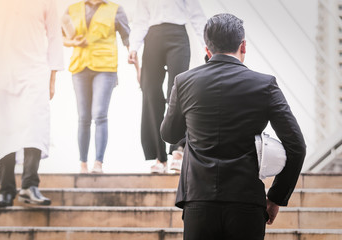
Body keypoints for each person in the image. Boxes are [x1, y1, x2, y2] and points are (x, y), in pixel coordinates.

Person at [160, 13, 306, 240]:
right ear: (243, 46)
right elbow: (296, 146)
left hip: (199, 200)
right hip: (246, 202)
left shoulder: (184, 82)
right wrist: (276, 197)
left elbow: (169, 134)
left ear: (207, 49)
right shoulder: (265, 85)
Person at [0, 0, 64, 207]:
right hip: (1, 69)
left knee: (35, 126)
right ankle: (6, 190)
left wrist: (52, 76)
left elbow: (55, 35)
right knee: (4, 129)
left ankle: (29, 185)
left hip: (35, 70)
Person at [128, 0, 207, 173]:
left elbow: (196, 15)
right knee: (150, 93)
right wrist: (134, 47)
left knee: (178, 91)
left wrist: (207, 45)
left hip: (178, 35)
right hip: (153, 37)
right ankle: (159, 157)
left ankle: (178, 150)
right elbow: (141, 19)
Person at [63, 0, 138, 174]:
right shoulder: (72, 9)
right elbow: (62, 38)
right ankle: (83, 164)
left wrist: (137, 67)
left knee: (99, 114)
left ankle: (98, 163)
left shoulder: (116, 10)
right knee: (83, 117)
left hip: (105, 68)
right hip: (80, 67)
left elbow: (128, 38)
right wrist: (74, 42)